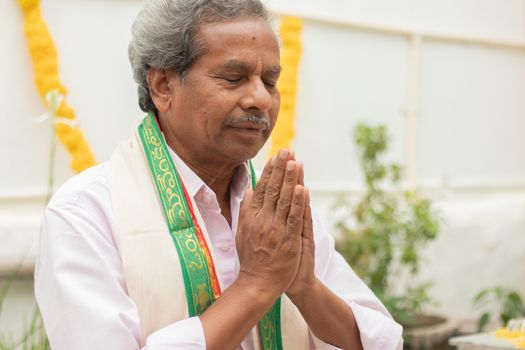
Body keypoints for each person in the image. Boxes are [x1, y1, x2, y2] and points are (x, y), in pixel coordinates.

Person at [35, 0, 403, 349]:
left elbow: (380, 340)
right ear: (163, 86)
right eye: (233, 78)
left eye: (270, 81)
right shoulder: (85, 212)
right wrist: (257, 285)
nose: (260, 98)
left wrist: (305, 286)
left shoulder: (278, 208)